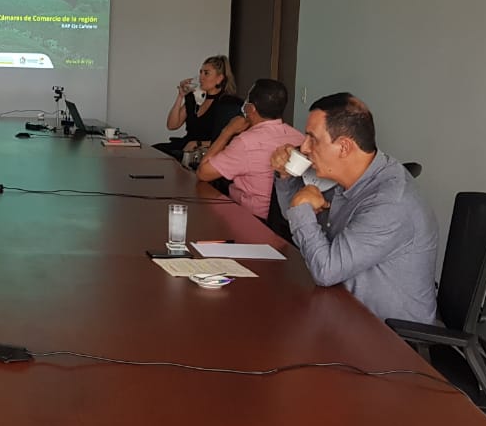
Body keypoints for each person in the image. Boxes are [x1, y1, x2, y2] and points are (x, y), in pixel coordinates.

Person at [271, 93, 438, 323]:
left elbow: (326, 271)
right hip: (344, 308)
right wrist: (286, 176)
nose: (305, 147)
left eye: (313, 139)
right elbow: (295, 216)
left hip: (387, 333)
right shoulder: (352, 178)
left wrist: (301, 208)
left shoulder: (390, 203)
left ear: (344, 147)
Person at [196, 79, 304, 220]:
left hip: (249, 218)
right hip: (286, 221)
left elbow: (203, 173)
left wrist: (227, 131)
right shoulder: (299, 137)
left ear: (251, 108)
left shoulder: (245, 143)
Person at [157, 55, 243, 159]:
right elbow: (172, 125)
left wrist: (198, 143)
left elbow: (226, 138)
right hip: (186, 146)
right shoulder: (195, 98)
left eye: (206, 73)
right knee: (155, 150)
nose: (201, 77)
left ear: (219, 78)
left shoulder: (227, 103)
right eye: (200, 72)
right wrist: (180, 96)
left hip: (204, 151)